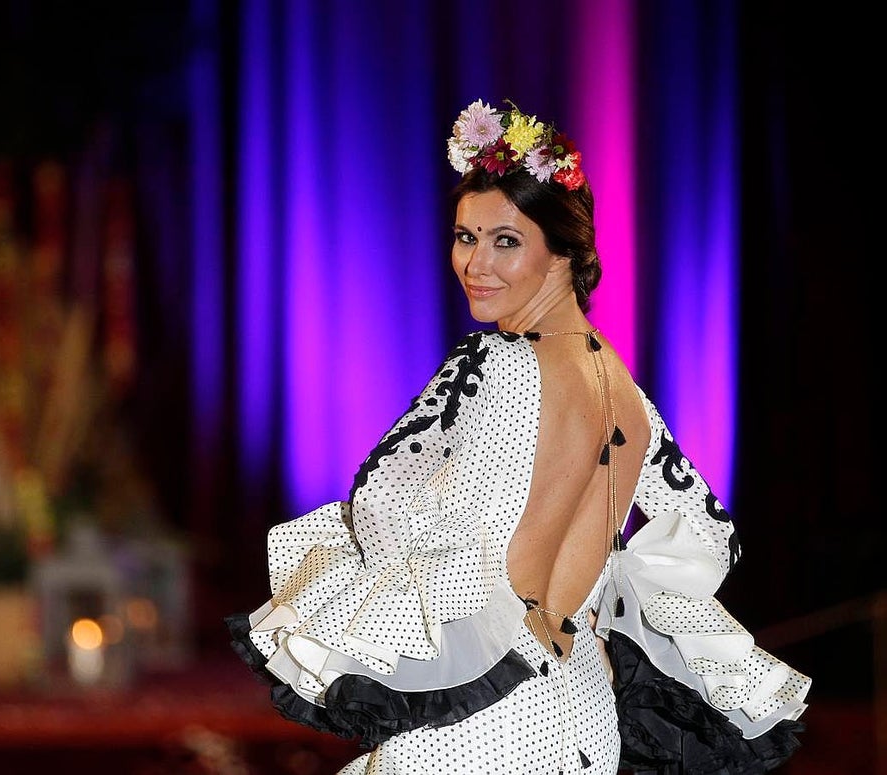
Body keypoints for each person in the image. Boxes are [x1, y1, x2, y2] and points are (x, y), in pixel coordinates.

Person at [226, 98, 810, 774]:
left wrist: (420, 601)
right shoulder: (627, 393)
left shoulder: (495, 362)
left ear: (563, 252)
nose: (476, 262)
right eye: (465, 236)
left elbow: (377, 497)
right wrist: (593, 599)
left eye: (506, 240)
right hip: (584, 702)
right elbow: (707, 534)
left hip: (485, 710)